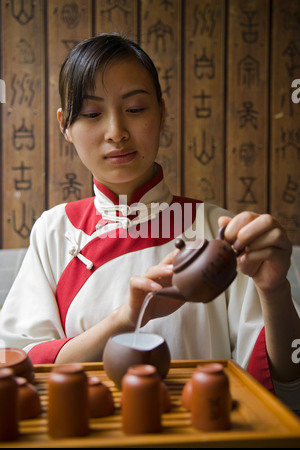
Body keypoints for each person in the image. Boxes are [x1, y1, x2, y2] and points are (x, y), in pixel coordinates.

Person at [0, 34, 299, 410]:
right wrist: (125, 319)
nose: (116, 132)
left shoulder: (220, 230)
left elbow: (289, 383)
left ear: (162, 112)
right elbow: (23, 369)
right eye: (92, 114)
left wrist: (274, 290)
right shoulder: (54, 231)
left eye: (136, 108)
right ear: (65, 126)